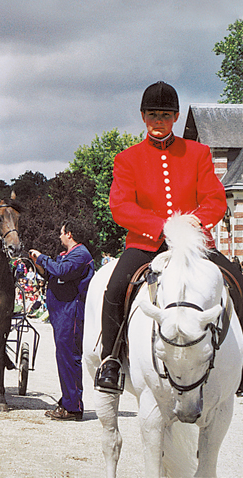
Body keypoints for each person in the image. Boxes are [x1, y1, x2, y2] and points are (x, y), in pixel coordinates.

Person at [94, 81, 243, 394]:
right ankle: (111, 360)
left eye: (164, 114)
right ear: (143, 117)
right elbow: (121, 207)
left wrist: (189, 225)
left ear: (175, 117)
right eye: (152, 115)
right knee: (116, 286)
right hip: (146, 243)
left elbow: (215, 200)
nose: (158, 121)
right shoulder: (127, 159)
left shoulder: (198, 153)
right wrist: (161, 227)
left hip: (192, 242)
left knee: (236, 278)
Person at [30, 220, 95, 420]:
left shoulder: (80, 254)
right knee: (63, 357)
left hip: (71, 313)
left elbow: (62, 271)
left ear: (69, 234)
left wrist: (42, 257)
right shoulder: (67, 255)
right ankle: (68, 400)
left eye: (61, 233)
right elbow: (52, 273)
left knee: (69, 358)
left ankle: (73, 407)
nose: (59, 236)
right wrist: (38, 262)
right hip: (61, 314)